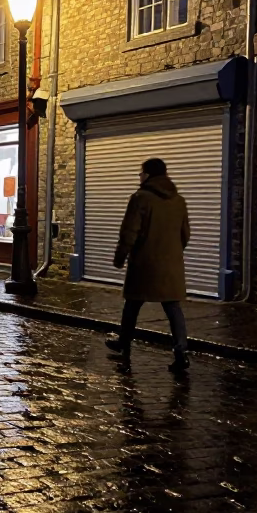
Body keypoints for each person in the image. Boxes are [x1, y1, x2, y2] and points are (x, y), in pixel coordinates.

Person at [106, 157, 191, 373]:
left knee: (133, 304)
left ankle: (123, 343)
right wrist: (172, 252)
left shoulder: (140, 198)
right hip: (171, 263)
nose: (139, 176)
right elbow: (185, 235)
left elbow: (129, 232)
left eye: (141, 172)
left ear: (149, 175)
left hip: (144, 262)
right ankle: (181, 352)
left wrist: (120, 256)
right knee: (173, 308)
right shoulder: (178, 200)